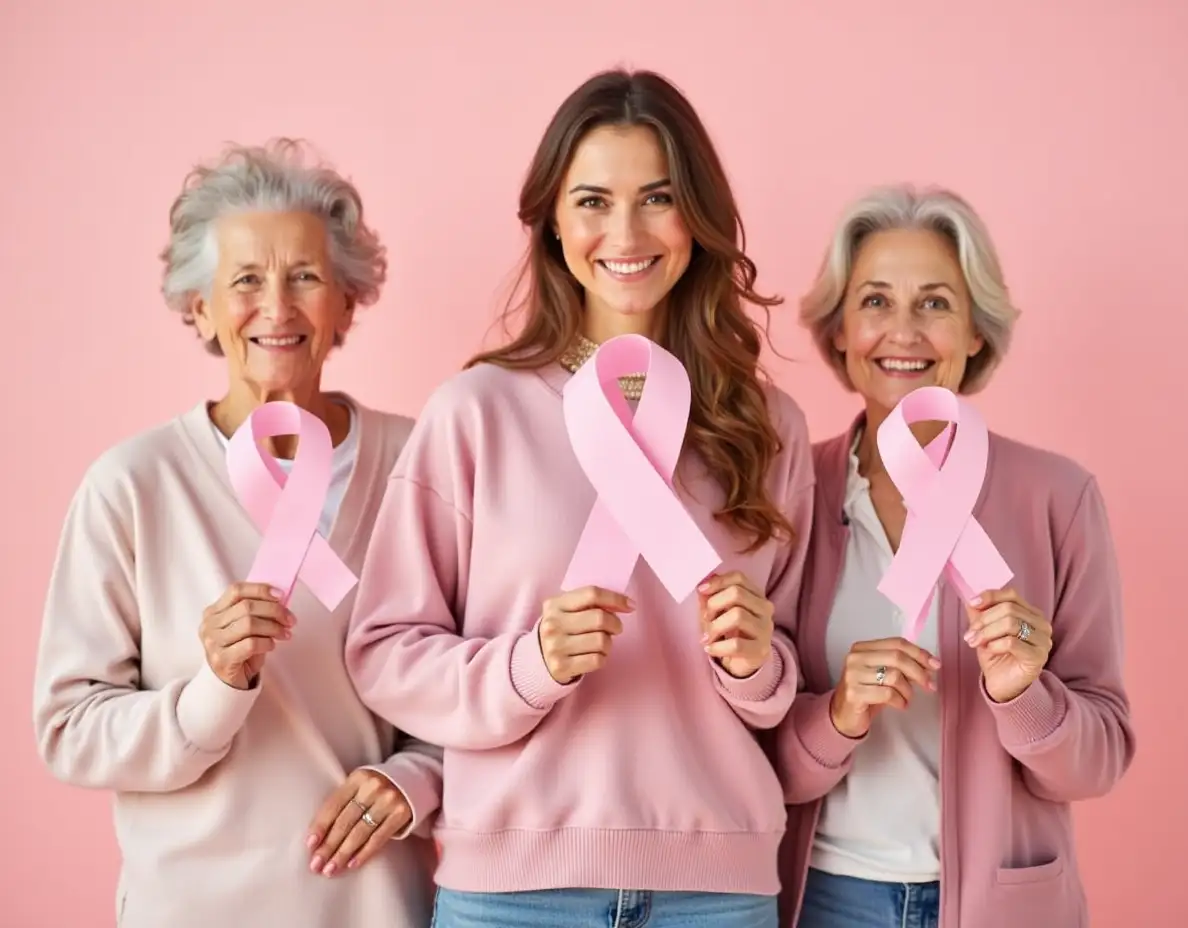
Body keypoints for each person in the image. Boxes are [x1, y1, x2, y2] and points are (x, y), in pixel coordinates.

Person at [344, 69, 815, 928]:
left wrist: (754, 662)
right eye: (593, 200)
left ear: (698, 219)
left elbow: (786, 680)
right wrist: (530, 665)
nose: (625, 232)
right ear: (553, 222)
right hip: (514, 892)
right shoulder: (476, 413)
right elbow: (384, 650)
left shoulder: (769, 426)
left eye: (659, 198)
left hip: (717, 890)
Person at [32, 140, 440, 928]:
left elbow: (481, 676)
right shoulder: (133, 486)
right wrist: (213, 690)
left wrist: (417, 778)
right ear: (201, 308)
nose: (277, 309)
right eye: (246, 281)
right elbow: (69, 731)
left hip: (380, 910)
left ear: (348, 303)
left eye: (306, 278)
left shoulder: (421, 463)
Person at [773, 184, 1135, 928]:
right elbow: (754, 758)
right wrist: (838, 714)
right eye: (875, 301)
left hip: (1004, 908)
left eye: (935, 302)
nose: (903, 331)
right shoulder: (792, 495)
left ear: (976, 332)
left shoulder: (1056, 498)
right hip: (823, 901)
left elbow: (1098, 761)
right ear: (839, 330)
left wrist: (1023, 695)